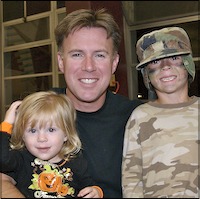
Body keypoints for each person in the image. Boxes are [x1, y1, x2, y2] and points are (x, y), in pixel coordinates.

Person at [1, 8, 142, 198]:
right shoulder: (38, 111)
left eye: (100, 55)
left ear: (114, 63)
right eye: (77, 54)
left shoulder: (137, 117)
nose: (89, 66)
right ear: (61, 61)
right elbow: (3, 177)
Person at [122, 27, 199, 198]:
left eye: (173, 57)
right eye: (155, 62)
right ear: (146, 74)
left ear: (187, 64)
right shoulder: (140, 118)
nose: (165, 67)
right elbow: (131, 179)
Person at [0, 91, 103, 198]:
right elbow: (2, 159)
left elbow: (90, 185)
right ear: (22, 136)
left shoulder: (76, 163)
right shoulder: (21, 159)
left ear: (66, 134)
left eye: (51, 129)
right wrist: (6, 125)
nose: (41, 138)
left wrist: (96, 191)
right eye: (33, 131)